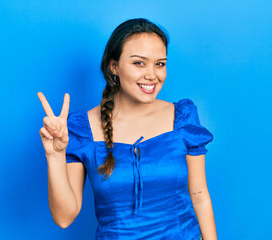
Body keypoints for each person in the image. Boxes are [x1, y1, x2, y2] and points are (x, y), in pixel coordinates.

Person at [37, 18, 217, 240]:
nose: (152, 75)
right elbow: (64, 217)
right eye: (139, 63)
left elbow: (199, 194)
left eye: (160, 63)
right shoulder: (82, 130)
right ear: (114, 66)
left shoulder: (182, 118)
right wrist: (55, 155)